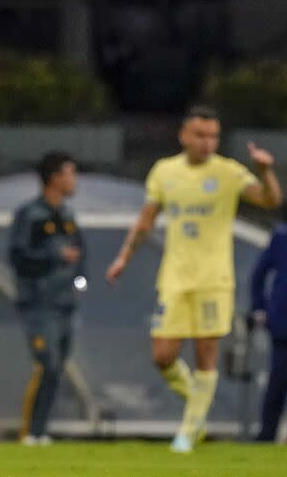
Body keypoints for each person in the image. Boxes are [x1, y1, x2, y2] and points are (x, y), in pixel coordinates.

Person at [106, 105, 282, 453]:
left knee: (206, 354)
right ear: (184, 135)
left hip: (213, 279)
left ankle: (186, 433)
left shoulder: (229, 172)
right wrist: (124, 257)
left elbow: (270, 199)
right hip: (174, 276)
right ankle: (198, 410)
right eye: (200, 135)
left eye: (213, 136)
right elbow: (146, 220)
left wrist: (265, 172)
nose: (207, 142)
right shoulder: (164, 171)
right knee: (163, 356)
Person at [9, 152, 85, 445]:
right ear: (55, 177)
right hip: (39, 304)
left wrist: (79, 285)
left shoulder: (68, 216)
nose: (74, 180)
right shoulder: (30, 215)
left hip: (65, 303)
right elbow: (19, 258)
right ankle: (29, 432)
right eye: (70, 173)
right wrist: (54, 255)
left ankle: (40, 433)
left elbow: (81, 257)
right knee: (46, 364)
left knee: (58, 367)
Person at [250, 204, 287, 442]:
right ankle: (266, 435)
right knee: (278, 381)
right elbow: (258, 275)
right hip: (283, 322)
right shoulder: (282, 236)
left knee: (277, 381)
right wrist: (259, 308)